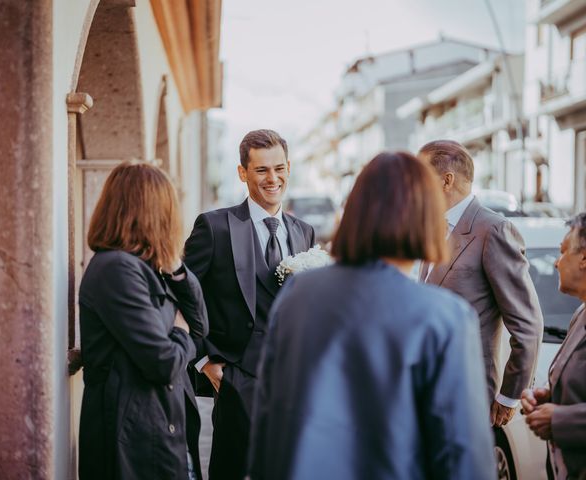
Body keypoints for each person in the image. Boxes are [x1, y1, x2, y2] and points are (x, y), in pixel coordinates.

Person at [248, 151, 496, 480]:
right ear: (427, 218)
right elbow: (462, 457)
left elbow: (268, 418)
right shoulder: (445, 318)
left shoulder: (298, 295)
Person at [183, 129, 315, 480]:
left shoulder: (304, 231)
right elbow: (180, 293)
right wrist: (204, 362)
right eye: (261, 170)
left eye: (279, 168)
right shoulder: (215, 227)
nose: (273, 179)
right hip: (237, 379)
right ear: (242, 173)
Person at [78, 162, 208, 480]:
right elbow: (163, 362)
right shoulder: (116, 269)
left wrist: (176, 267)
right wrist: (179, 331)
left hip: (162, 432)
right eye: (168, 207)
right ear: (151, 211)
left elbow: (201, 327)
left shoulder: (148, 266)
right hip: (135, 443)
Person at [418, 140, 543, 427]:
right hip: (429, 389)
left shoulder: (494, 230)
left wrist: (509, 396)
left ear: (446, 180)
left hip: (469, 395)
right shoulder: (432, 227)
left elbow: (527, 323)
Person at [521, 213, 586, 479]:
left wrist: (559, 420)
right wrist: (549, 395)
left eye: (562, 252)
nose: (556, 263)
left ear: (584, 258)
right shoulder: (580, 314)